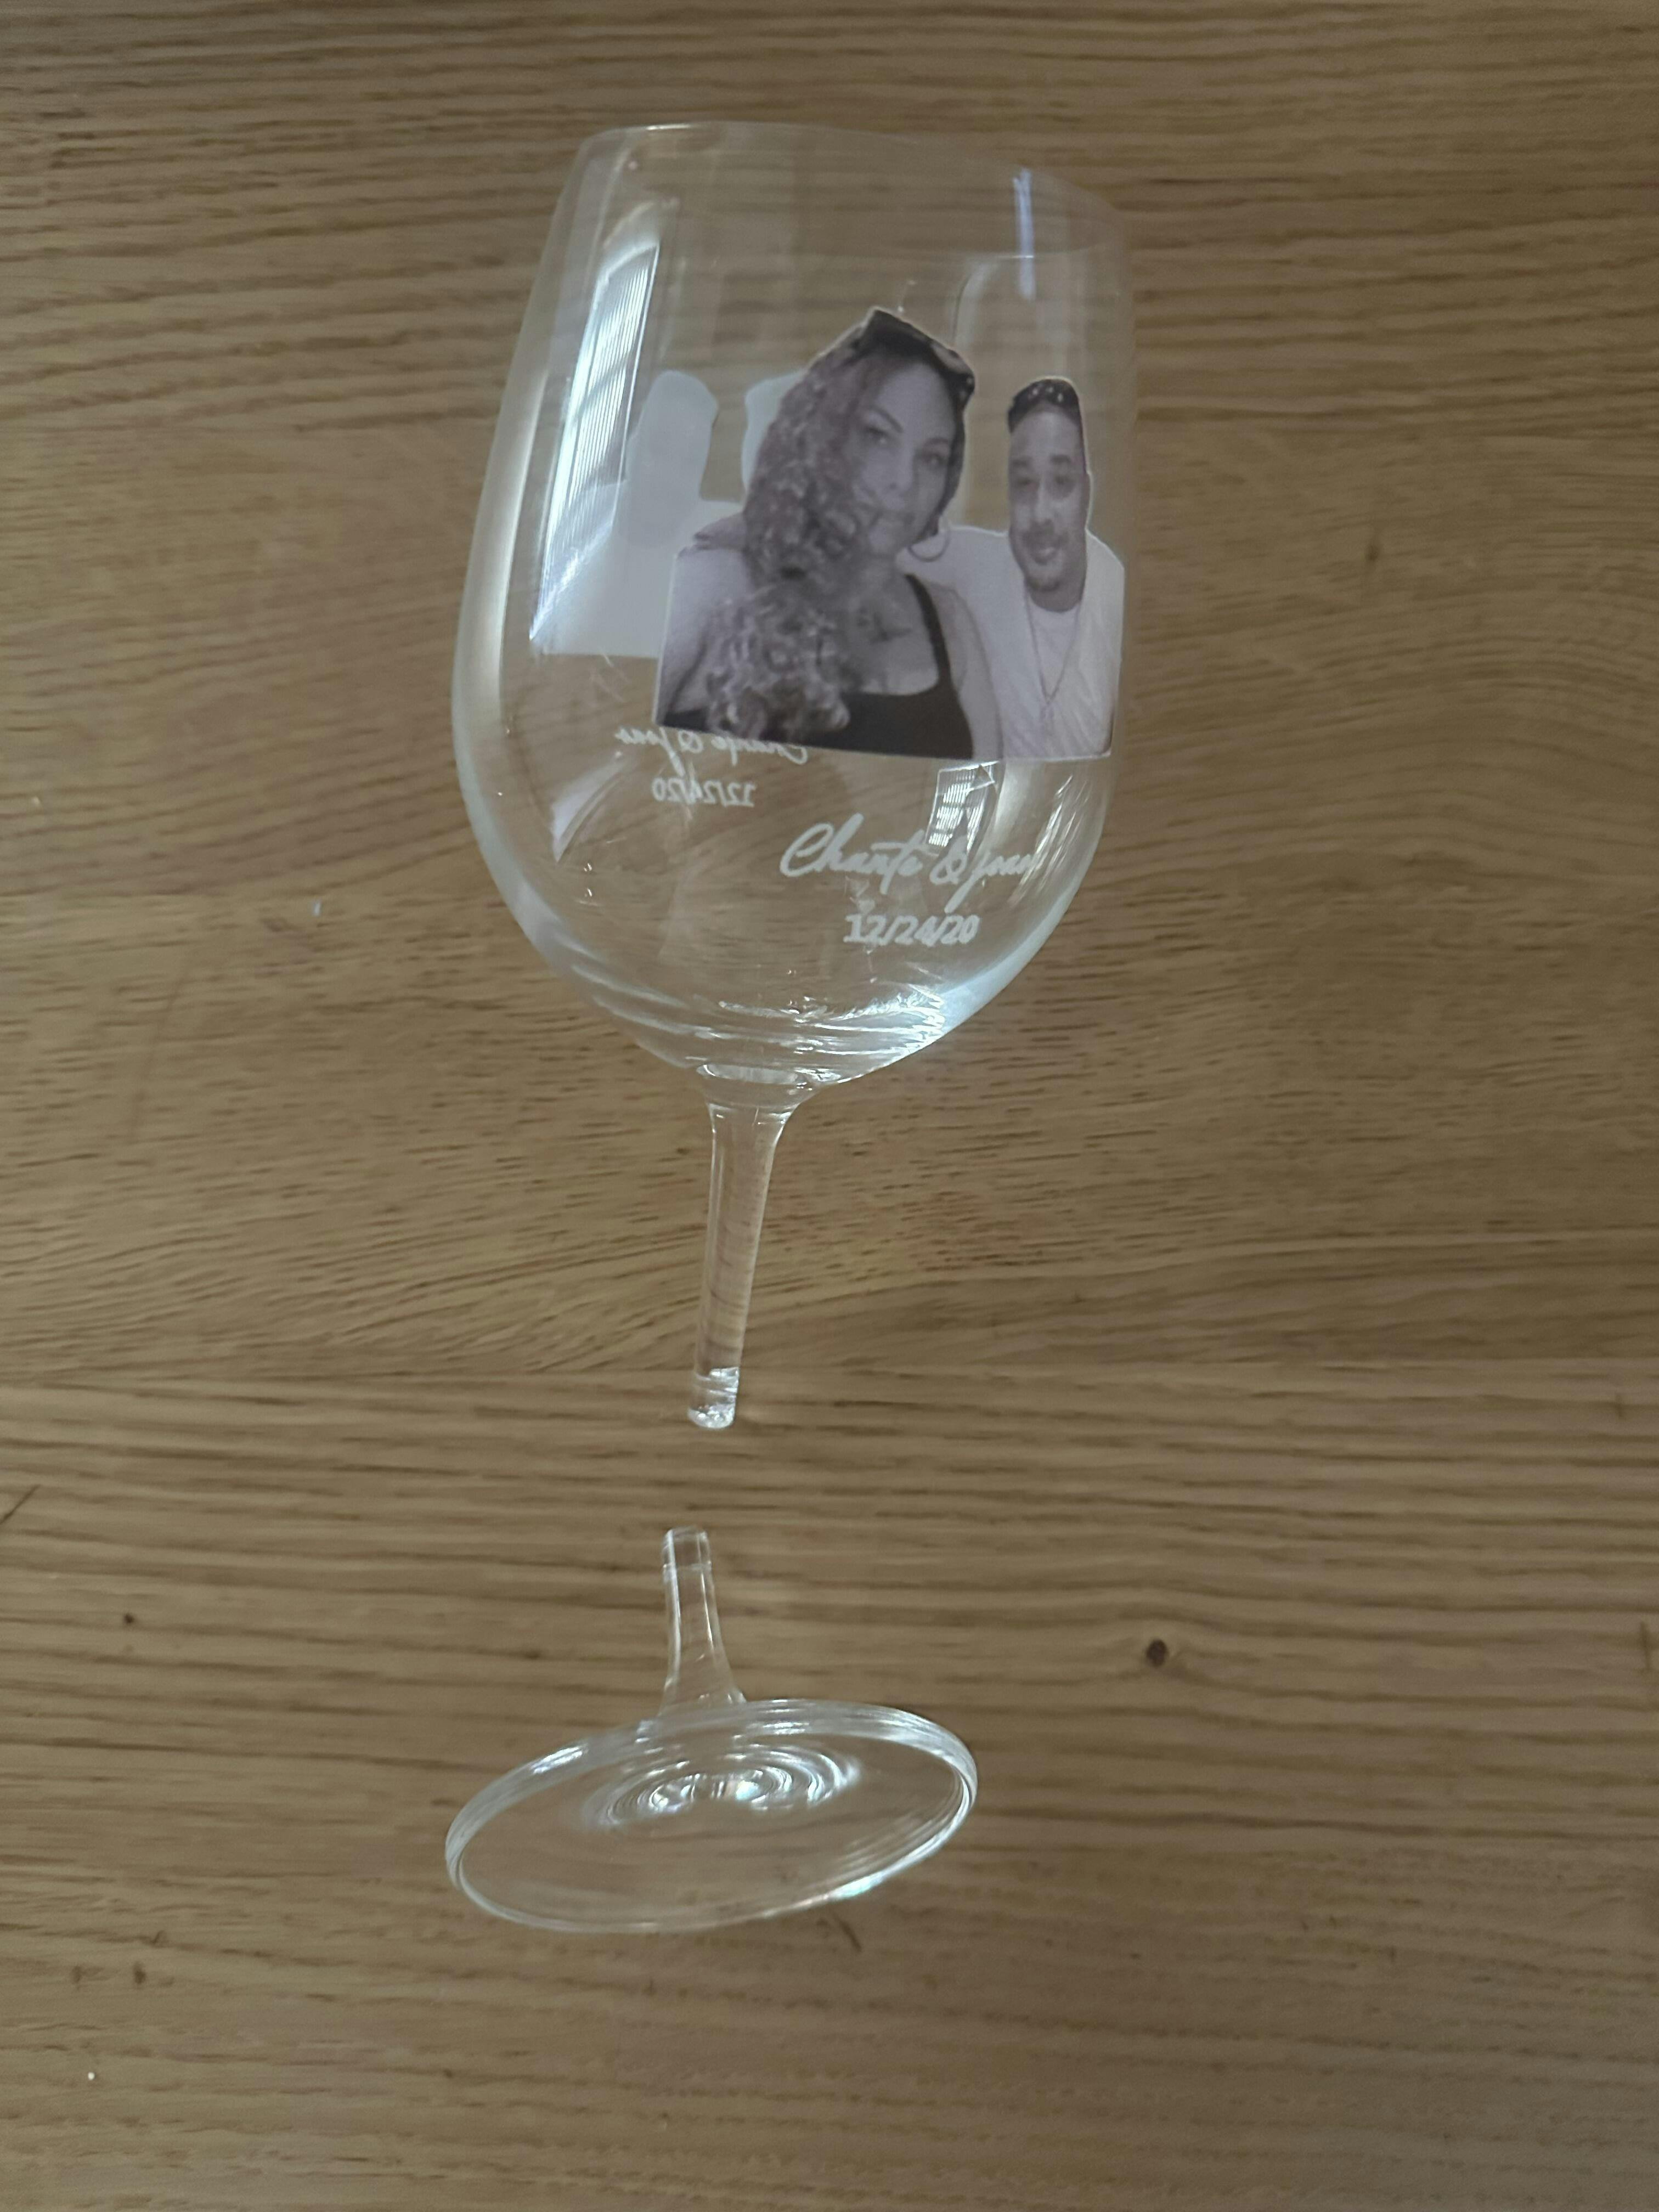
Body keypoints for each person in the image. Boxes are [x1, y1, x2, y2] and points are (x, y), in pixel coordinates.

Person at [654, 310, 1001, 760]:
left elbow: (994, 787)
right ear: (820, 438)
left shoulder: (951, 623)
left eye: (932, 457)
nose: (904, 481)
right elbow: (605, 754)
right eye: (878, 437)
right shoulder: (711, 586)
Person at [903, 376, 1124, 759]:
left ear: (1086, 495)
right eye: (1024, 483)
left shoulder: (1120, 598)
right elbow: (873, 561)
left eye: (1061, 482)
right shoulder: (974, 566)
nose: (1040, 513)